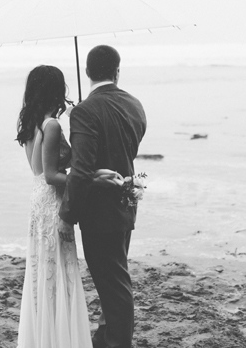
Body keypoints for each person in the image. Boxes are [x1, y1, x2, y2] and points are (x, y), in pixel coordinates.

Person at [59, 45, 147, 348]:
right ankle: (105, 335)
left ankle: (118, 342)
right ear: (117, 71)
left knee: (114, 284)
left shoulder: (85, 111)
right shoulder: (135, 105)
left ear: (86, 72)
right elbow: (129, 150)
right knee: (115, 274)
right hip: (128, 201)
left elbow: (82, 171)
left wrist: (67, 216)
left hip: (100, 212)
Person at [14, 65, 92, 348]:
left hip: (37, 200)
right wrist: (85, 180)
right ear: (56, 90)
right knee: (60, 268)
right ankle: (61, 339)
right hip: (51, 201)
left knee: (43, 269)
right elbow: (51, 175)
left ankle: (44, 336)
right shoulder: (52, 125)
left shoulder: (33, 123)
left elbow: (40, 172)